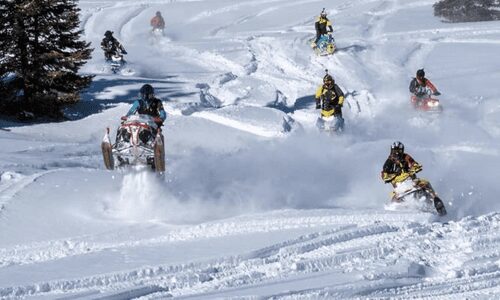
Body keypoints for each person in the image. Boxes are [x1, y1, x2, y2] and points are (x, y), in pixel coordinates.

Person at [381, 141, 446, 215]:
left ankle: (436, 200)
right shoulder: (389, 162)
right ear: (391, 151)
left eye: (399, 151)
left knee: (426, 183)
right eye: (395, 151)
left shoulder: (406, 157)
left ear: (402, 150)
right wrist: (391, 176)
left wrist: (415, 167)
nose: (397, 153)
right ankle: (396, 212)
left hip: (412, 181)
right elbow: (384, 174)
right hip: (399, 186)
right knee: (393, 200)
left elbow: (413, 163)